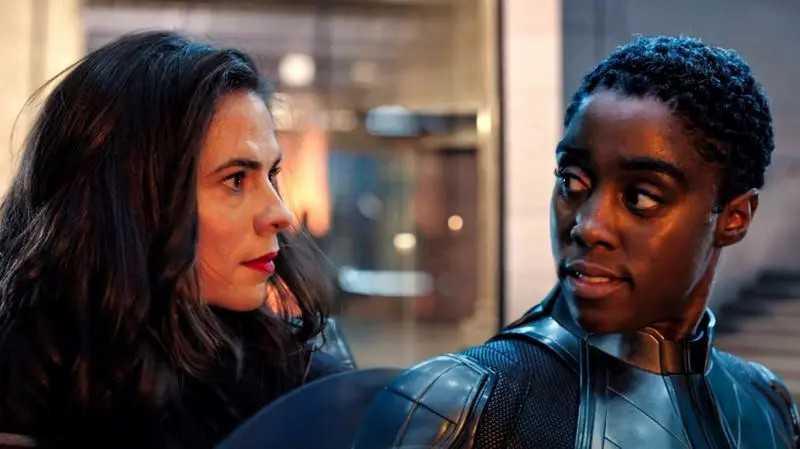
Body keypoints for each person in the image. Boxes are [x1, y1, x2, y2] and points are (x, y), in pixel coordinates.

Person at [353, 36, 800, 449]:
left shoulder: (767, 405)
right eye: (572, 182)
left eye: (641, 197)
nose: (588, 226)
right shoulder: (459, 407)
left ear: (734, 217)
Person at [0, 31, 349, 449]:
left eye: (271, 174)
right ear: (131, 199)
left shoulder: (305, 388)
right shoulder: (24, 389)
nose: (281, 214)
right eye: (236, 179)